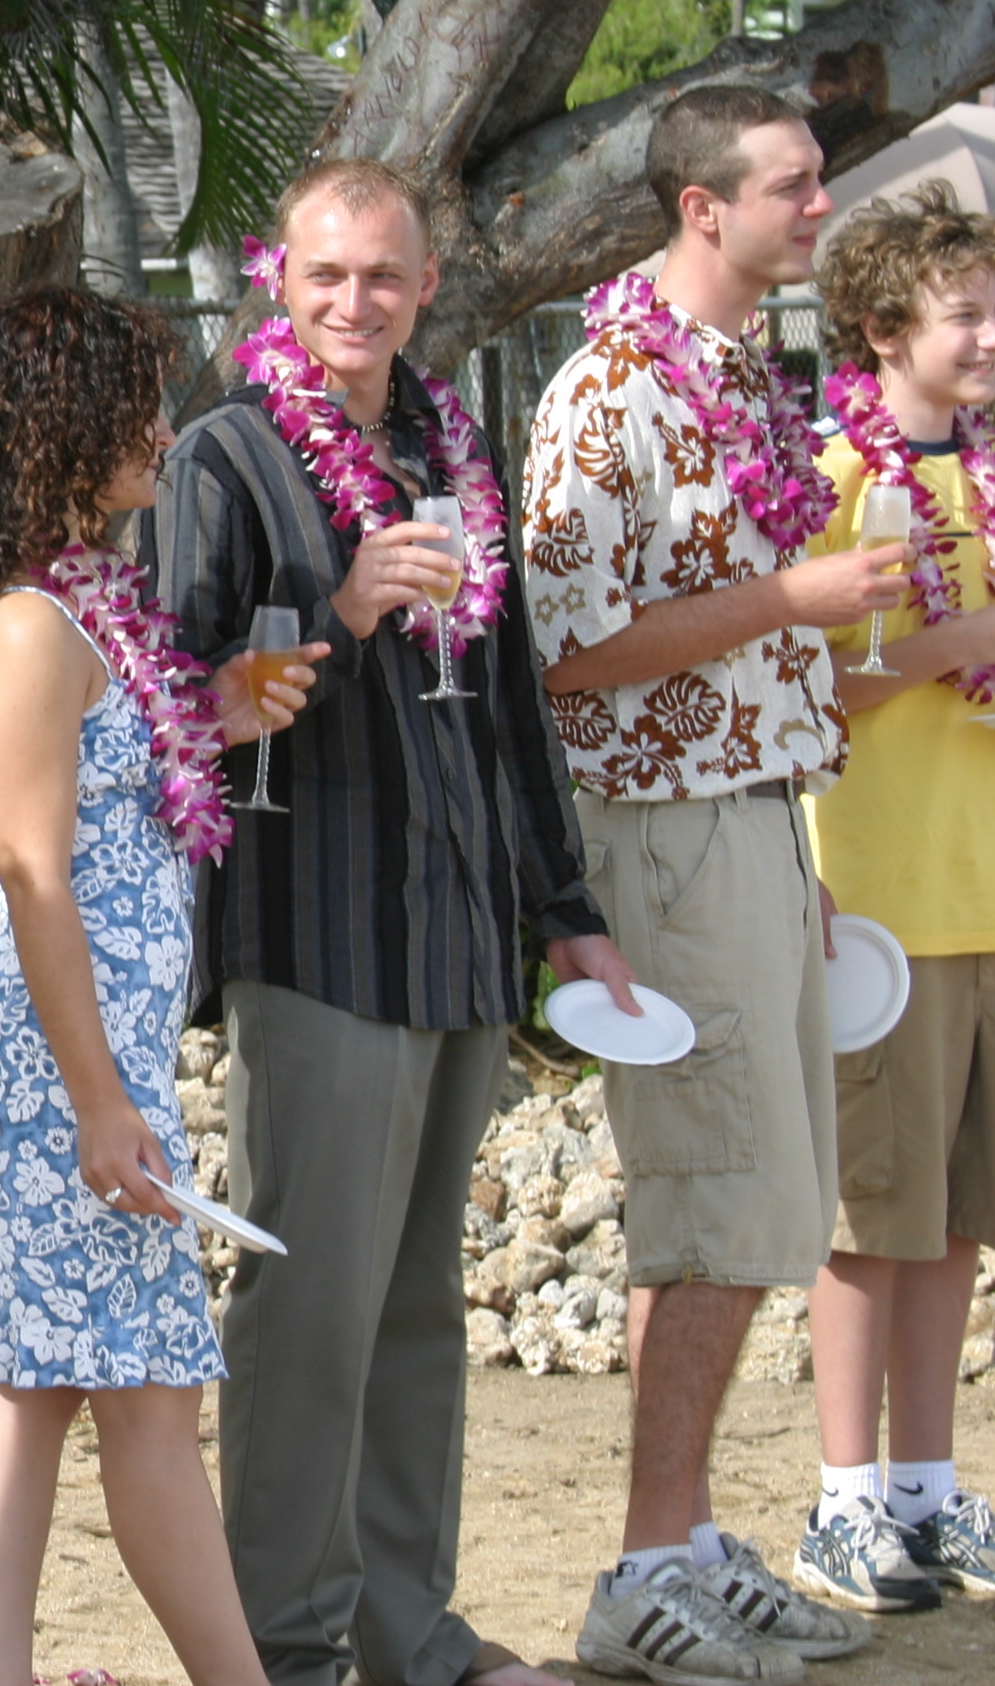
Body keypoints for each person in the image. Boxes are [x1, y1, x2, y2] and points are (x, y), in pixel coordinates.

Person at [151, 159, 633, 1686]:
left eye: (382, 276)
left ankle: (412, 1634)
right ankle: (286, 1649)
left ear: (426, 288)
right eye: (326, 275)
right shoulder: (223, 457)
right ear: (277, 284)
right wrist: (342, 610)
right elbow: (176, 705)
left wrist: (566, 911)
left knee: (421, 1308)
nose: (354, 302)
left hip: (458, 935)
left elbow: (508, 699)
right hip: (318, 939)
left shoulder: (452, 446)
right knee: (312, 1308)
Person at [523, 84, 911, 1682]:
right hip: (665, 829)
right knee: (716, 1205)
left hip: (750, 817)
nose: (822, 206)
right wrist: (790, 599)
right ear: (703, 208)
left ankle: (681, 1546)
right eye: (794, 185)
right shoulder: (605, 392)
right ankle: (638, 1571)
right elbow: (566, 654)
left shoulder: (740, 371)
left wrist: (789, 830)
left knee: (770, 1204)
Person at [0, 284, 315, 1686]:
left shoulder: (86, 611)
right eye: (136, 408)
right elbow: (34, 874)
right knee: (133, 1397)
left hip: (102, 1064)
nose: (164, 432)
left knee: (47, 1386)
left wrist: (218, 709)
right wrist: (99, 1100)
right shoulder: (26, 629)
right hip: (67, 1072)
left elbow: (119, 781)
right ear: (57, 426)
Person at [792, 183, 995, 1603]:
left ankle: (929, 1488)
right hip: (882, 902)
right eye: (964, 314)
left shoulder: (989, 478)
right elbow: (802, 688)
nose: (989, 338)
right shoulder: (829, 480)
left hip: (985, 893)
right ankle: (843, 1498)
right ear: (880, 328)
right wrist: (949, 645)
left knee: (957, 1218)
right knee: (871, 1220)